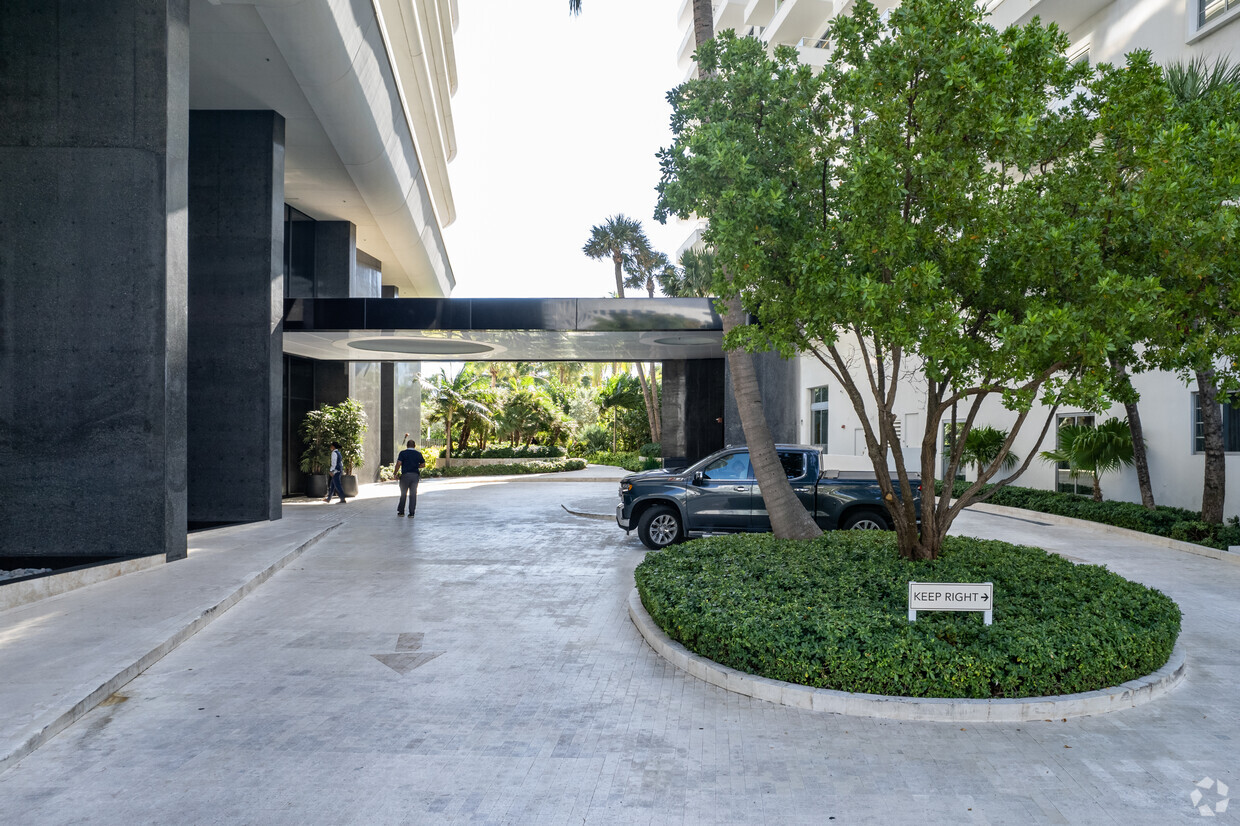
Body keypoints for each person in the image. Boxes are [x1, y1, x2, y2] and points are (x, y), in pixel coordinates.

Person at [393, 438, 426, 517]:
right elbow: (423, 464)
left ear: (407, 445)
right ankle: (411, 513)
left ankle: (401, 512)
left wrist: (395, 473)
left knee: (403, 494)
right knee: (413, 494)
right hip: (415, 476)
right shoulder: (418, 454)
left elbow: (398, 463)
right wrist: (415, 466)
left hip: (405, 476)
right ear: (414, 446)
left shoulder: (403, 453)